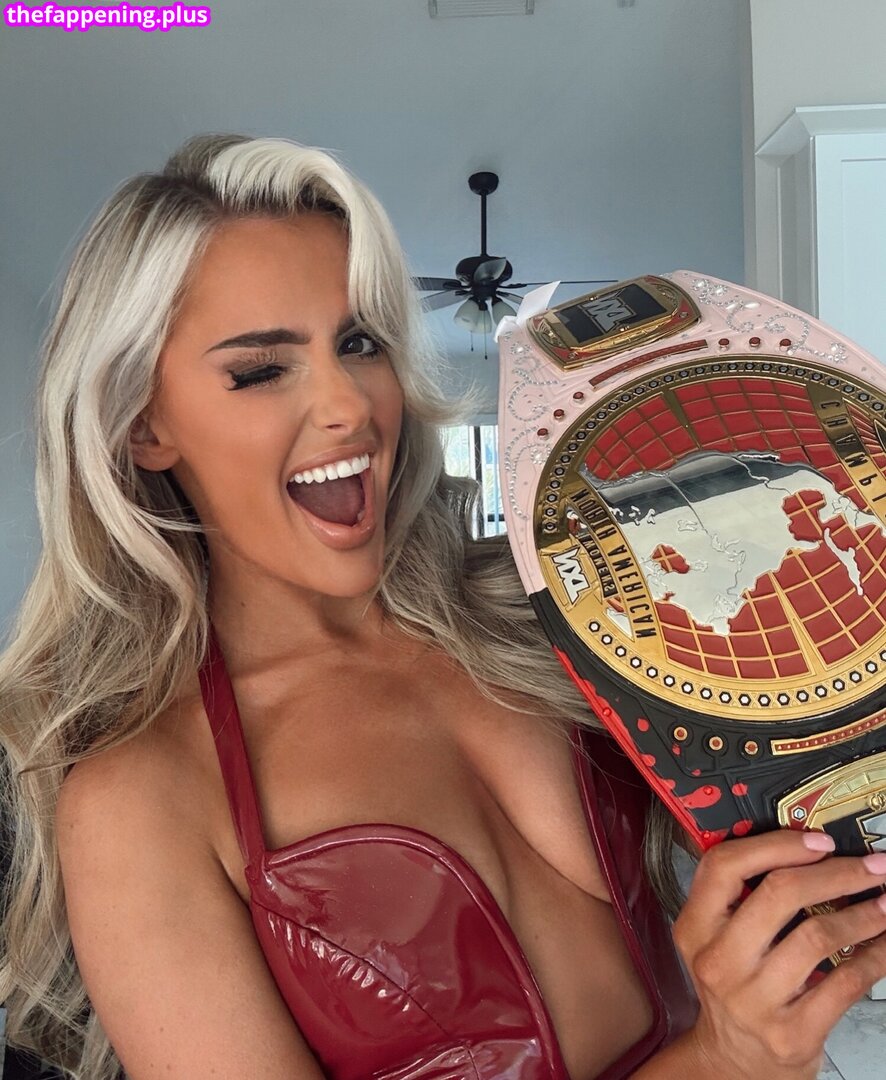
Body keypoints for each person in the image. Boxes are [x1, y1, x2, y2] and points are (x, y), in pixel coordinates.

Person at [0, 133, 885, 1080]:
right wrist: (725, 1059)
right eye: (261, 369)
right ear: (145, 425)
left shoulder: (542, 618)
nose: (350, 404)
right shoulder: (141, 798)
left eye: (360, 344)